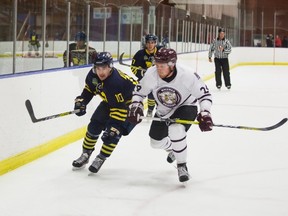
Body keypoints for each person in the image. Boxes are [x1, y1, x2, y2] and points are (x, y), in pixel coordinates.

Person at [127, 48, 213, 183]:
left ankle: (181, 165)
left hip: (186, 106)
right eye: (157, 64)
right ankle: (174, 149)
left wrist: (205, 113)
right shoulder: (151, 74)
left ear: (172, 65)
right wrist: (135, 106)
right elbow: (139, 93)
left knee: (176, 129)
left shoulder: (187, 75)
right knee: (155, 142)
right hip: (163, 110)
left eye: (162, 66)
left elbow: (204, 95)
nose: (158, 68)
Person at [72, 52, 138, 173]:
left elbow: (122, 105)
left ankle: (101, 157)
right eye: (98, 68)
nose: (101, 72)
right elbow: (89, 90)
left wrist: (114, 126)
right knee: (93, 127)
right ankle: (85, 155)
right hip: (110, 103)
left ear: (110, 66)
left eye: (104, 68)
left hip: (128, 107)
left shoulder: (117, 82)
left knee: (112, 134)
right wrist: (82, 101)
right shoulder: (92, 76)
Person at [131, 33, 163, 117]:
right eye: (148, 42)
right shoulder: (140, 54)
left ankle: (161, 110)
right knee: (147, 94)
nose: (150, 45)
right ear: (145, 43)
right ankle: (149, 110)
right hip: (145, 78)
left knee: (161, 94)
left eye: (152, 42)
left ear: (155, 43)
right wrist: (142, 74)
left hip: (160, 78)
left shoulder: (161, 51)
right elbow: (133, 67)